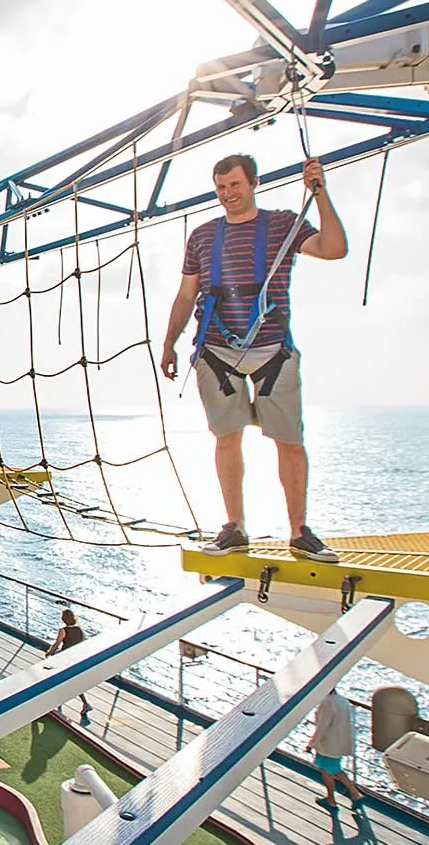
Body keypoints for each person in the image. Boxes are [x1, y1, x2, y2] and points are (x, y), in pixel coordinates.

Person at [161, 153, 349, 563]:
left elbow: (334, 249)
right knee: (226, 438)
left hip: (272, 349)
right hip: (216, 350)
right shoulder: (202, 236)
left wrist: (319, 193)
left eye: (235, 185)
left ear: (253, 183)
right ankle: (234, 527)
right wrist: (169, 342)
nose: (228, 194)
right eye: (221, 187)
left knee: (289, 441)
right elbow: (187, 293)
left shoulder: (282, 225)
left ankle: (299, 532)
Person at [307, 686, 365, 811]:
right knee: (335, 769)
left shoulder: (327, 703)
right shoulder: (342, 700)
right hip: (339, 742)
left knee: (327, 770)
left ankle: (333, 799)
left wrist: (312, 743)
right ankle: (354, 793)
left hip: (329, 744)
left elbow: (322, 726)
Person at [46, 609, 92, 725]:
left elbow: (57, 643)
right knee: (72, 679)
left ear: (64, 619)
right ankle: (81, 702)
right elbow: (83, 642)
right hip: (76, 657)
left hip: (65, 658)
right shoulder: (79, 630)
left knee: (62, 678)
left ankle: (85, 703)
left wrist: (49, 653)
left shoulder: (63, 630)